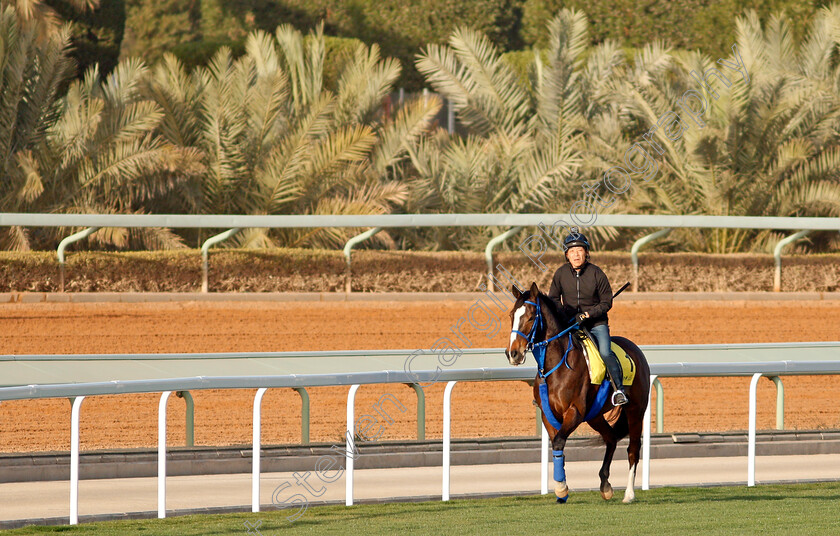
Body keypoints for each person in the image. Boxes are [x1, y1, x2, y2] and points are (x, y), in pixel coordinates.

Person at [547, 229, 628, 406]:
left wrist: (588, 314)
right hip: (569, 324)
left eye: (580, 250)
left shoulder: (597, 273)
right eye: (572, 251)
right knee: (552, 350)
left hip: (596, 324)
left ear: (586, 253)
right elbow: (553, 298)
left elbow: (606, 302)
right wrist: (565, 313)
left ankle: (619, 390)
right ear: (566, 255)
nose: (576, 254)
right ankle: (547, 389)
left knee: (605, 353)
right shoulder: (560, 274)